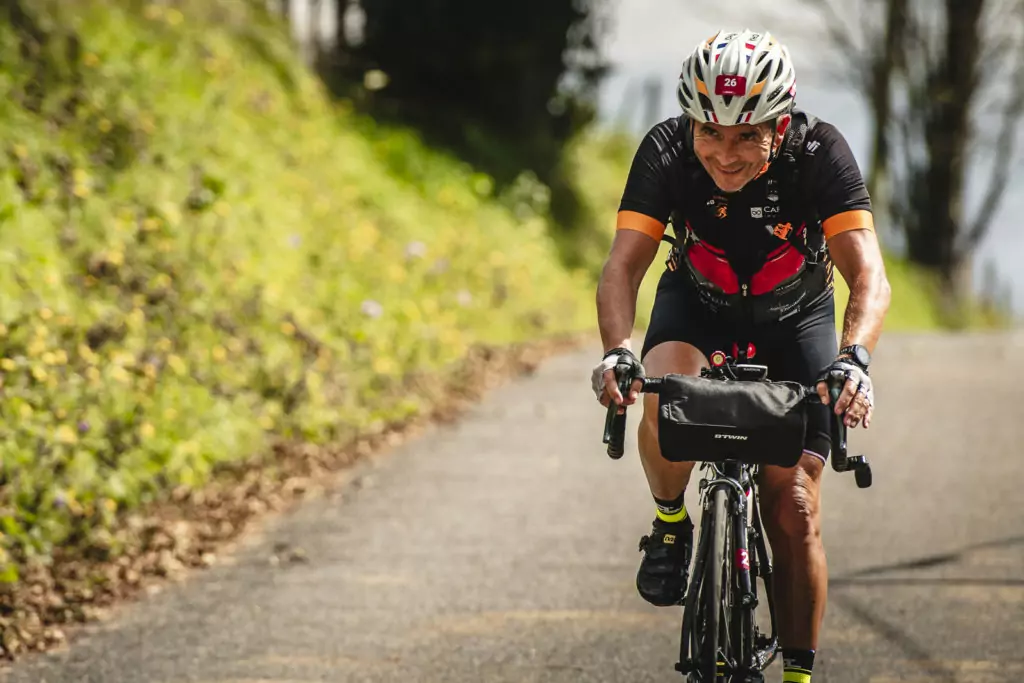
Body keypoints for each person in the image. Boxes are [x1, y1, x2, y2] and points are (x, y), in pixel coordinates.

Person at [592, 29, 891, 683]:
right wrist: (617, 351)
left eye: (746, 136)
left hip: (796, 318)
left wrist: (855, 359)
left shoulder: (820, 153)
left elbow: (868, 273)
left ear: (778, 126)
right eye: (711, 133)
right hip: (697, 305)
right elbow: (623, 266)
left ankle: (798, 676)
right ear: (692, 123)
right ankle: (671, 522)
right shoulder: (667, 150)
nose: (724, 155)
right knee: (662, 390)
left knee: (794, 507)